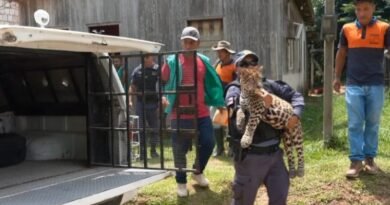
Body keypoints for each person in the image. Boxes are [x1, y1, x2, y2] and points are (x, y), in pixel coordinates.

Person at [226, 50, 304, 205]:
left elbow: (296, 96)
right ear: (236, 68)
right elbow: (235, 113)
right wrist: (259, 108)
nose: (249, 67)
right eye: (244, 64)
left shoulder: (270, 85)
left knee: (280, 197)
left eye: (252, 63)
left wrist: (295, 115)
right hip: (250, 158)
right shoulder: (235, 89)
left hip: (275, 156)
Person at [161, 26, 225, 197]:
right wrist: (164, 96)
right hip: (179, 113)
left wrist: (219, 102)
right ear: (181, 41)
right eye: (185, 42)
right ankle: (181, 182)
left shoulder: (203, 60)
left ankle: (197, 171)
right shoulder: (172, 60)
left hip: (201, 112)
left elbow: (212, 83)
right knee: (178, 148)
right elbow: (162, 81)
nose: (188, 45)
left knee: (209, 142)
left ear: (198, 43)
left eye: (191, 42)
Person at [333, 0, 390, 178]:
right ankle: (356, 161)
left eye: (366, 9)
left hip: (376, 84)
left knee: (373, 123)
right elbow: (341, 53)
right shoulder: (347, 29)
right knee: (355, 124)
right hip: (353, 84)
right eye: (358, 9)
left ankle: (370, 158)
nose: (362, 13)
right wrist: (336, 77)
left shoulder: (384, 28)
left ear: (373, 8)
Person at [129, 54, 160, 159]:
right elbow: (132, 87)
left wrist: (162, 101)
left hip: (153, 103)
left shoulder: (157, 69)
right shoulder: (137, 71)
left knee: (154, 128)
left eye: (150, 57)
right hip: (140, 102)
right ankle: (142, 153)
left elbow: (163, 85)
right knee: (141, 129)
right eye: (146, 57)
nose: (149, 59)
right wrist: (130, 100)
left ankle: (153, 150)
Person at [211, 40, 237, 157]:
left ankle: (232, 147)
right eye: (218, 52)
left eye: (221, 52)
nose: (218, 54)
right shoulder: (217, 64)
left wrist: (229, 99)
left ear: (227, 53)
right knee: (215, 122)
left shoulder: (234, 66)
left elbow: (236, 85)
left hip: (229, 98)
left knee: (230, 124)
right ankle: (219, 147)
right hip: (217, 98)